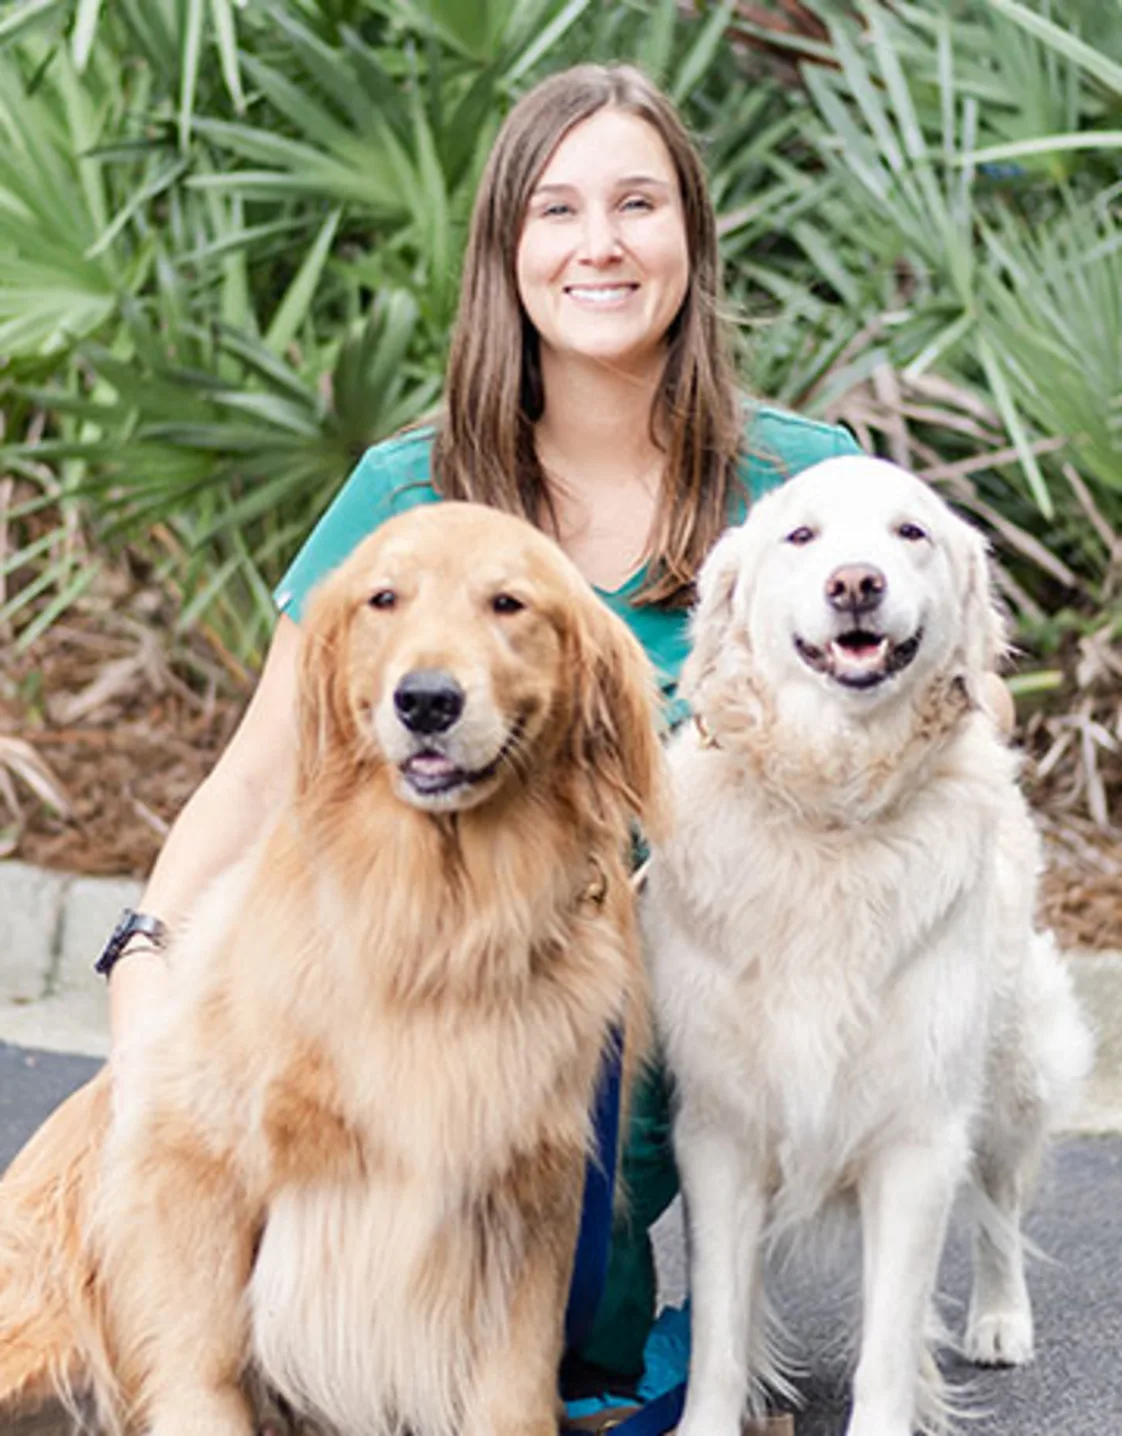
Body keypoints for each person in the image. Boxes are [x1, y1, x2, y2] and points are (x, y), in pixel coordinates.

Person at [103, 61, 1007, 1425]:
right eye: (556, 209)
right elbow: (252, 784)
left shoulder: (805, 491)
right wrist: (144, 979)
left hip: (670, 1076)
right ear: (504, 254)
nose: (599, 244)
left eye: (638, 204)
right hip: (452, 1061)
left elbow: (959, 720)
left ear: (692, 243)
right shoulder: (406, 497)